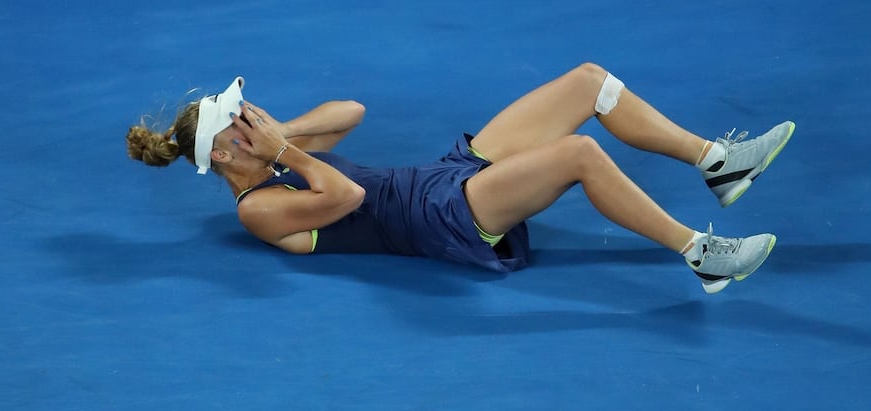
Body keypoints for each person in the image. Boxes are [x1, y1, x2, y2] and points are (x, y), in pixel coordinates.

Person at [126, 63, 794, 293]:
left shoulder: (272, 153)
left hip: (445, 175)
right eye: (238, 122)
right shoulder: (256, 209)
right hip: (437, 219)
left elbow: (350, 113)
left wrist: (283, 137)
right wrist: (284, 155)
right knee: (580, 157)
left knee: (589, 84)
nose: (251, 118)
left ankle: (718, 162)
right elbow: (349, 196)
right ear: (221, 156)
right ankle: (701, 256)